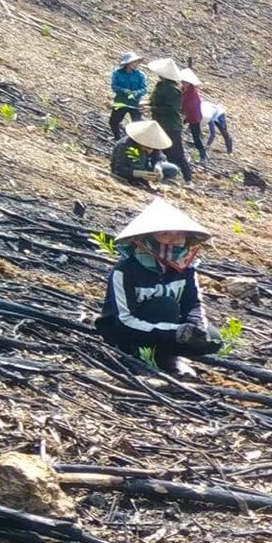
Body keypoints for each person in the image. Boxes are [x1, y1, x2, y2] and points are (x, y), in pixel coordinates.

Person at [94, 198, 222, 375]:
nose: (174, 240)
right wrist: (175, 332)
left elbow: (193, 304)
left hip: (165, 329)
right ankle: (151, 358)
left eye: (179, 234)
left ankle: (168, 355)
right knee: (165, 305)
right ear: (146, 238)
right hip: (125, 332)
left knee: (212, 340)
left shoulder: (185, 268)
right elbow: (124, 321)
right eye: (165, 234)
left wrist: (195, 325)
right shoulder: (126, 270)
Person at [145, 58, 191, 182]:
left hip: (171, 126)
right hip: (159, 123)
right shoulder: (160, 86)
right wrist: (145, 104)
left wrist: (152, 108)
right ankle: (165, 177)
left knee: (176, 154)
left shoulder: (173, 90)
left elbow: (171, 109)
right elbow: (154, 100)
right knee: (158, 151)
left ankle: (188, 180)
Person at [109, 120, 180, 188]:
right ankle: (137, 180)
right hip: (130, 169)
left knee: (172, 169)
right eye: (148, 147)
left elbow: (159, 158)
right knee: (141, 157)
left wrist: (158, 167)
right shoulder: (124, 145)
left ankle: (146, 179)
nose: (150, 151)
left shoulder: (153, 143)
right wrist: (139, 174)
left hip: (145, 166)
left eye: (152, 148)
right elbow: (119, 168)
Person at [108, 52, 146, 139]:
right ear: (127, 63)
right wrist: (124, 91)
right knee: (113, 122)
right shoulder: (117, 73)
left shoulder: (140, 75)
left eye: (136, 62)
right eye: (133, 62)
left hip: (135, 104)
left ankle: (135, 141)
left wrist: (136, 93)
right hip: (121, 101)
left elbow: (144, 89)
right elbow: (114, 86)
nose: (135, 64)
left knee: (137, 125)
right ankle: (117, 138)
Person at [177, 68, 205, 163]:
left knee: (196, 136)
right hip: (185, 115)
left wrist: (182, 111)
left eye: (186, 82)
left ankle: (203, 155)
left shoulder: (192, 92)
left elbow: (191, 106)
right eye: (183, 81)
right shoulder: (182, 90)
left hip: (193, 116)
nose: (184, 83)